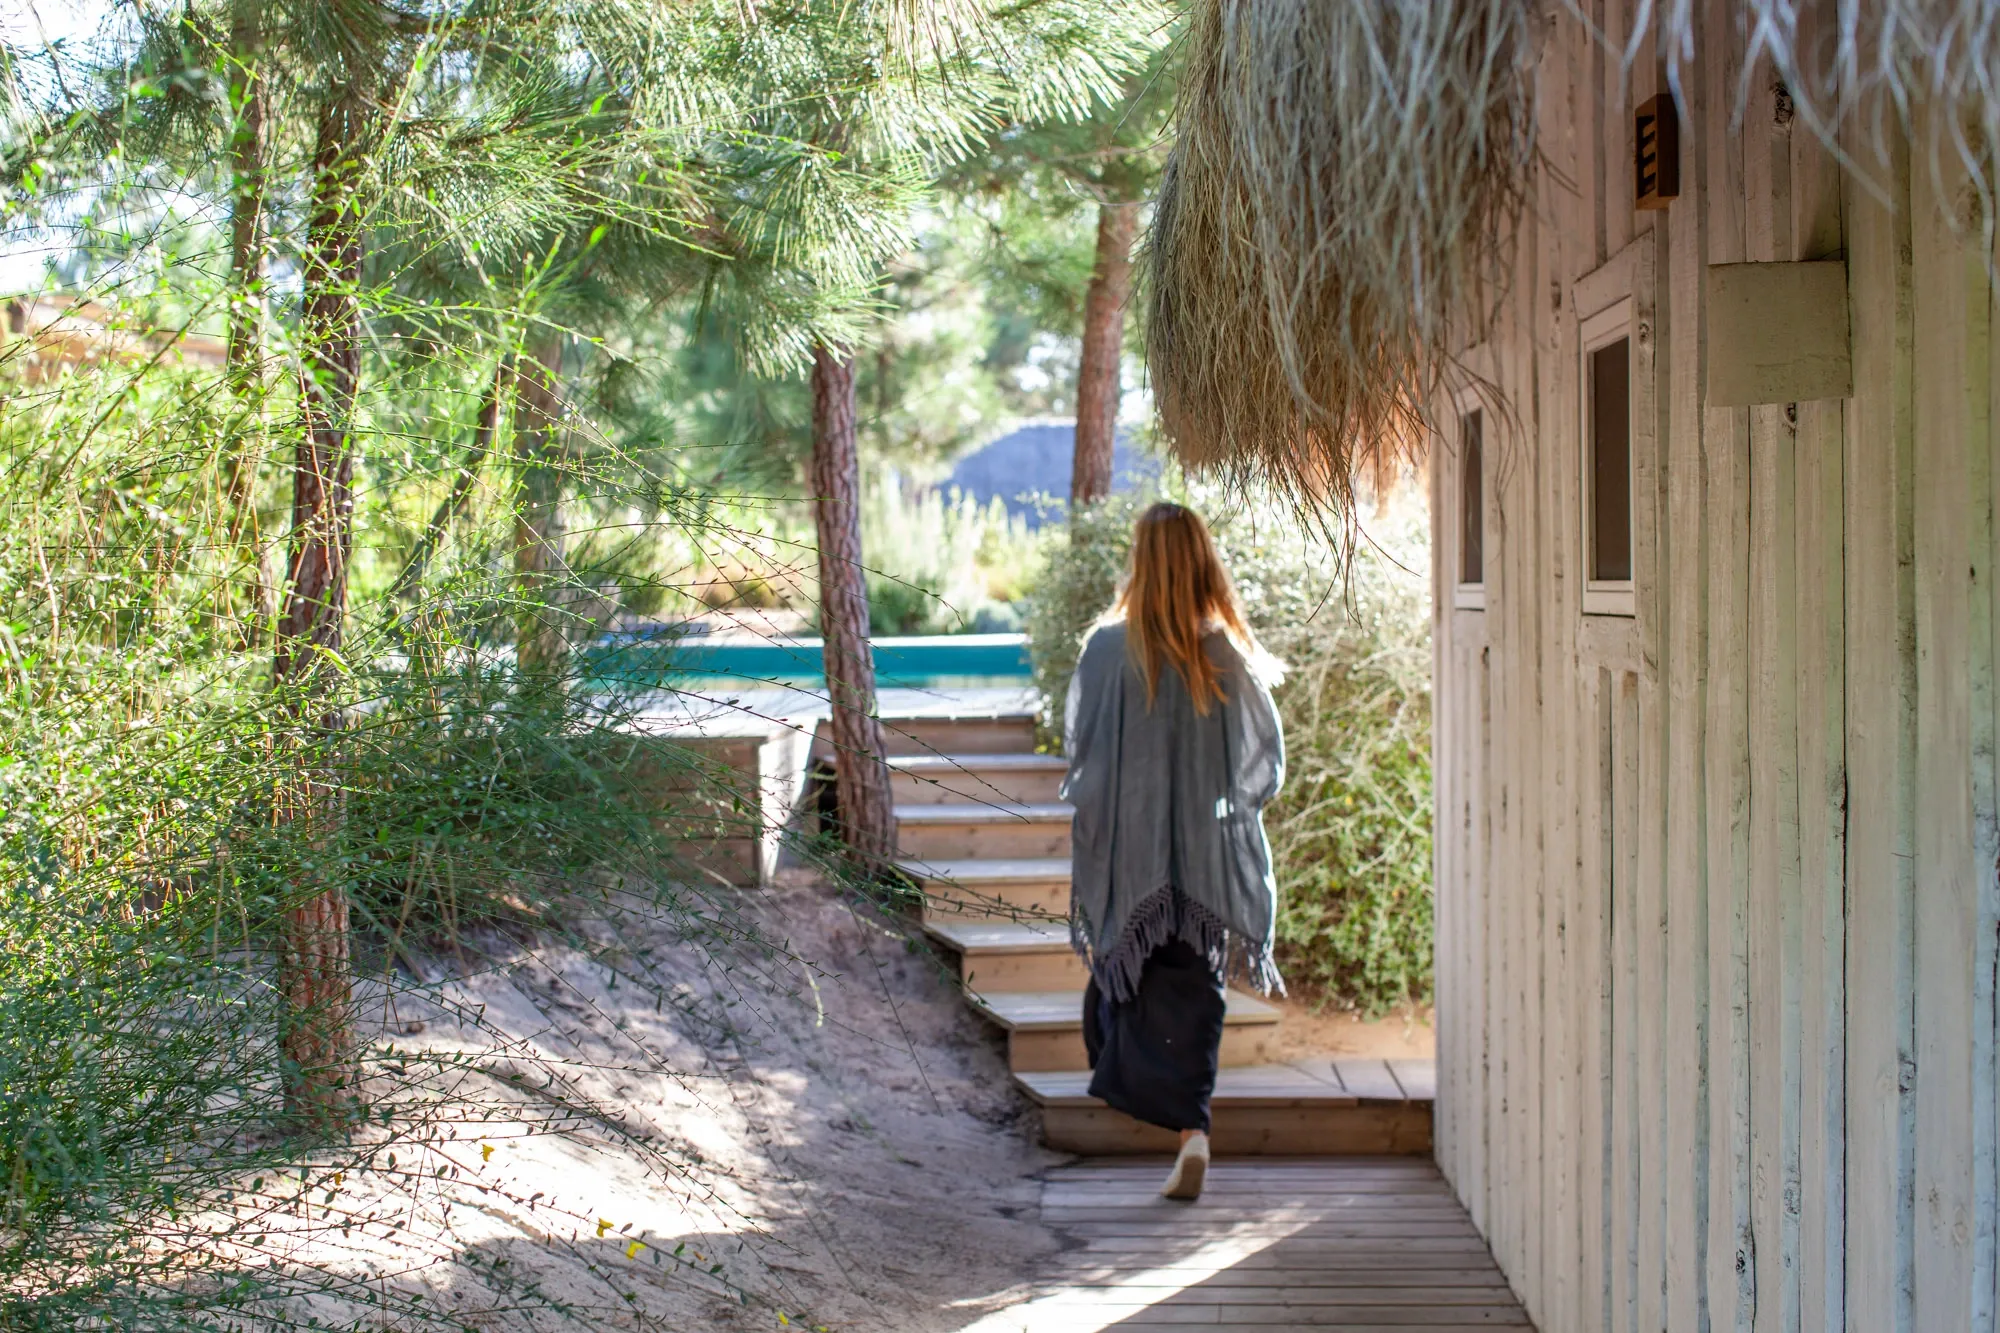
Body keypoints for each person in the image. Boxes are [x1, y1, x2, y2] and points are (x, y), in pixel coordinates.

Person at [1060, 502, 1286, 1202]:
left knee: (1117, 995)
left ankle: (1182, 1127)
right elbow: (1264, 765)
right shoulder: (1223, 654)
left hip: (1129, 868)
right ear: (1202, 561)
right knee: (1194, 992)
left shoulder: (1105, 651)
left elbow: (1082, 758)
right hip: (1202, 869)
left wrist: (1113, 816)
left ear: (1140, 561)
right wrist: (1216, 801)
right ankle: (1193, 1133)